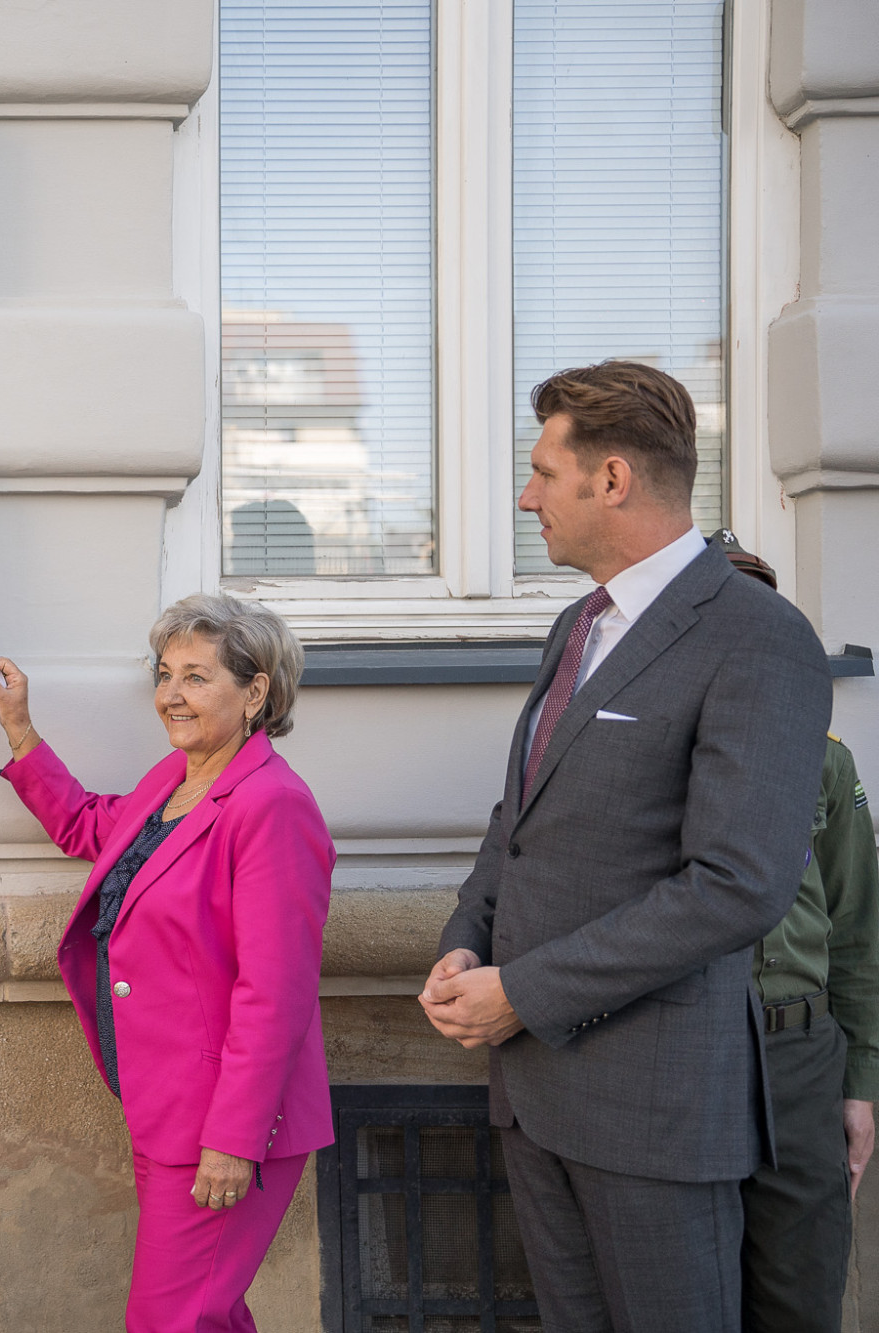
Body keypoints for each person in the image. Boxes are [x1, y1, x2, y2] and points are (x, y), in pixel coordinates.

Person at [419, 362, 833, 1333]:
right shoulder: (577, 624)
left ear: (610, 479)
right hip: (534, 1096)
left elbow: (736, 885)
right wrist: (464, 940)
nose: (524, 498)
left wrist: (521, 991)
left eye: (539, 473)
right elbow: (517, 819)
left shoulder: (755, 636)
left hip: (651, 1115)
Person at [0, 593, 333, 1333]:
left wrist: (234, 1140)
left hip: (224, 1123)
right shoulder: (173, 781)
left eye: (197, 676)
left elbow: (275, 992)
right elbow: (87, 825)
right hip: (164, 1106)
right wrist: (20, 728)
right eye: (165, 673)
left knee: (170, 1318)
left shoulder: (271, 804)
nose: (171, 694)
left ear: (257, 691)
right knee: (206, 1312)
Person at [713, 530, 879, 1333]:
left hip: (799, 1057)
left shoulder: (824, 758)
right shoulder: (648, 752)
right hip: (691, 1049)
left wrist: (862, 1083)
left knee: (801, 1299)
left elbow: (856, 930)